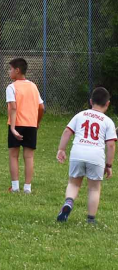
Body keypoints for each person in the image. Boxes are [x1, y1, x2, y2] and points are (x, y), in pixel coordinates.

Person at [55, 87, 116, 225]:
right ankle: (91, 218)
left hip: (78, 153)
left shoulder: (80, 115)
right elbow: (111, 145)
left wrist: (61, 149)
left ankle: (69, 202)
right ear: (107, 104)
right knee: (94, 188)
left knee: (73, 183)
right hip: (96, 156)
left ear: (90, 101)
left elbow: (67, 132)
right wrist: (109, 165)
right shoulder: (107, 121)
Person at [6, 57, 44, 194]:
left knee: (13, 155)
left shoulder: (12, 87)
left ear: (17, 70)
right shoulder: (33, 86)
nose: (9, 71)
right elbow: (42, 108)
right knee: (29, 157)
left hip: (16, 124)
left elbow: (14, 108)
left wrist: (13, 128)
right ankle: (27, 188)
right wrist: (37, 122)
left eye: (10, 69)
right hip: (31, 125)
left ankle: (15, 187)